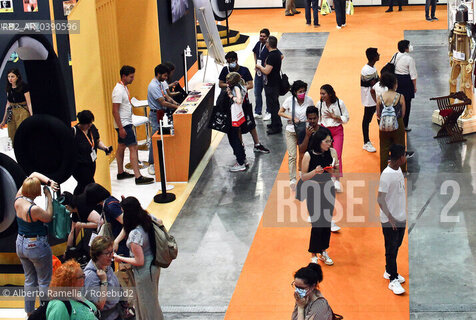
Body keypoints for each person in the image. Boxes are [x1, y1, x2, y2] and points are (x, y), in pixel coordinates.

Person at [15, 172, 58, 316]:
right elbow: (49, 217)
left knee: (29, 280)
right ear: (35, 191)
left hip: (20, 243)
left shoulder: (18, 198)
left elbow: (33, 174)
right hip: (36, 246)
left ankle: (29, 312)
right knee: (44, 281)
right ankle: (45, 312)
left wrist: (48, 181)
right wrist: (49, 197)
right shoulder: (34, 209)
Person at [114, 197, 163, 320]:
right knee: (149, 301)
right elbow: (160, 221)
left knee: (146, 303)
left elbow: (139, 261)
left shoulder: (135, 234)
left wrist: (120, 258)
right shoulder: (147, 218)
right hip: (154, 265)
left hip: (144, 271)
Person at [219, 51, 270, 154]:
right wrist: (230, 85)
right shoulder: (225, 70)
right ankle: (241, 146)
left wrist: (240, 87)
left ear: (236, 60)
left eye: (232, 61)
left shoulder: (244, 70)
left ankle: (257, 144)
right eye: (228, 62)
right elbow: (220, 84)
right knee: (237, 126)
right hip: (233, 105)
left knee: (251, 123)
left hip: (244, 102)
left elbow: (251, 84)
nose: (230, 63)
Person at [299, 107, 340, 233]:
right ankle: (314, 215)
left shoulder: (324, 131)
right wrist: (307, 136)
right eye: (310, 119)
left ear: (318, 118)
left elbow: (330, 147)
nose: (312, 121)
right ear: (307, 118)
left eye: (314, 118)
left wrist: (332, 165)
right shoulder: (303, 131)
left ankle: (329, 220)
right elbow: (301, 149)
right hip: (310, 163)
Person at [300, 130, 339, 266]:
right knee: (317, 223)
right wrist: (314, 172)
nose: (330, 143)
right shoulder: (308, 155)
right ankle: (313, 254)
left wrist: (331, 171)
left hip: (328, 189)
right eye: (327, 141)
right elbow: (303, 177)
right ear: (319, 142)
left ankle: (323, 251)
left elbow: (338, 172)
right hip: (313, 190)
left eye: (330, 141)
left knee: (326, 222)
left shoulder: (332, 152)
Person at [112, 65, 153, 185]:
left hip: (125, 123)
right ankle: (138, 176)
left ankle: (120, 173)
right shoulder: (118, 90)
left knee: (121, 146)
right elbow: (115, 111)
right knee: (133, 147)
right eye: (131, 77)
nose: (133, 79)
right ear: (124, 76)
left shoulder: (124, 88)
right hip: (124, 124)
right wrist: (121, 128)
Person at [377, 144, 407, 295]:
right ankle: (392, 279)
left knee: (397, 245)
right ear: (400, 158)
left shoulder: (398, 169)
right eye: (405, 155)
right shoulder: (386, 175)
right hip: (391, 220)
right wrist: (390, 219)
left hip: (401, 216)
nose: (406, 157)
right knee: (391, 248)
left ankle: (389, 270)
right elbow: (380, 199)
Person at [278, 80, 314, 190]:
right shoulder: (289, 101)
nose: (302, 93)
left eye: (304, 91)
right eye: (300, 91)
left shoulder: (309, 100)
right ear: (294, 92)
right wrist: (291, 118)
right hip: (291, 130)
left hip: (304, 131)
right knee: (292, 155)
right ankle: (292, 178)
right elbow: (280, 112)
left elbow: (313, 113)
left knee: (303, 154)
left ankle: (301, 172)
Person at [147, 64, 180, 176]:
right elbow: (163, 102)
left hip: (162, 113)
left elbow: (167, 96)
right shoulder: (153, 86)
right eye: (165, 75)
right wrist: (177, 107)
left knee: (163, 136)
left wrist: (176, 103)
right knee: (155, 138)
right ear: (158, 74)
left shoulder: (160, 84)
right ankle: (152, 163)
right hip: (155, 114)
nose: (166, 78)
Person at [72, 110, 112, 195]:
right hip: (80, 165)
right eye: (88, 123)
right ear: (82, 123)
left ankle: (76, 202)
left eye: (90, 123)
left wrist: (105, 148)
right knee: (88, 184)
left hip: (91, 162)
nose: (90, 125)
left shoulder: (92, 128)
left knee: (84, 185)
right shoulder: (74, 132)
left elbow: (97, 141)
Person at [318, 84, 349, 192]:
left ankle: (336, 180)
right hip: (324, 131)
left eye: (324, 93)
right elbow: (318, 119)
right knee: (325, 155)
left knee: (337, 155)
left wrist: (337, 117)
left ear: (330, 94)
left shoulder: (340, 103)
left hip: (337, 131)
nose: (321, 96)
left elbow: (346, 118)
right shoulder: (320, 104)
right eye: (321, 93)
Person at [61, 183, 110, 248]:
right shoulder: (75, 209)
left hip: (107, 222)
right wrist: (68, 250)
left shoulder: (82, 208)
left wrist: (82, 225)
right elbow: (73, 231)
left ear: (67, 207)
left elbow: (101, 223)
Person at [84, 236, 122, 320]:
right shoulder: (90, 276)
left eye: (112, 251)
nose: (111, 255)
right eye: (107, 253)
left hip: (117, 312)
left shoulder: (106, 266)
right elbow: (99, 305)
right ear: (97, 255)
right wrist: (104, 282)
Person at [377, 73, 406, 172]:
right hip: (398, 123)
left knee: (384, 149)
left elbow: (378, 113)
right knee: (400, 146)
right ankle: (402, 170)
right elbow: (403, 113)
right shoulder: (400, 96)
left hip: (384, 125)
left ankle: (384, 172)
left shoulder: (380, 97)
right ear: (395, 84)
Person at [256, 36, 283, 135]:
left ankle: (276, 126)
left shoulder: (272, 56)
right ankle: (275, 123)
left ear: (268, 44)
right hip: (274, 83)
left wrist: (259, 67)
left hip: (272, 84)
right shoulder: (276, 54)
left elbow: (267, 71)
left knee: (273, 105)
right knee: (273, 105)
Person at [0, 68, 32, 146]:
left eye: (12, 76)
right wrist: (3, 120)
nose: (10, 79)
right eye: (8, 76)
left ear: (17, 76)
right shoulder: (8, 87)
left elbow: (29, 103)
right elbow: (7, 104)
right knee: (12, 135)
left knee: (22, 133)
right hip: (11, 112)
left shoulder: (24, 86)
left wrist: (32, 116)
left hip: (22, 111)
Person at [225, 72, 249, 172]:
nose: (226, 82)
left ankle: (240, 162)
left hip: (234, 115)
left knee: (234, 138)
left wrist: (231, 96)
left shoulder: (236, 87)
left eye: (228, 80)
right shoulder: (242, 85)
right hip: (239, 114)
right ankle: (243, 159)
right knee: (237, 138)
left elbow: (238, 100)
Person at [394, 40, 417, 131]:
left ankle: (396, 123)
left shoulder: (395, 55)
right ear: (405, 48)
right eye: (409, 45)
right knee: (407, 104)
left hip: (397, 81)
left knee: (397, 103)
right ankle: (404, 125)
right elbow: (413, 75)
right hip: (407, 82)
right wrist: (414, 86)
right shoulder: (409, 59)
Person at [361, 48, 380, 153]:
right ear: (373, 57)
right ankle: (366, 142)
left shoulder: (372, 67)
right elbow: (374, 85)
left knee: (378, 118)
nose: (379, 55)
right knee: (367, 120)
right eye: (377, 54)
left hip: (375, 98)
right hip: (370, 99)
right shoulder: (366, 70)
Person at [252, 28, 270, 119]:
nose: (261, 38)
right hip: (258, 72)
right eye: (261, 36)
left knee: (267, 93)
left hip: (266, 73)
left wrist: (267, 64)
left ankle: (268, 111)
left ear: (267, 37)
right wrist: (256, 63)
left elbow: (280, 56)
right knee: (257, 92)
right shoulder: (258, 44)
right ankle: (258, 111)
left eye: (264, 36)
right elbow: (255, 52)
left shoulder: (269, 46)